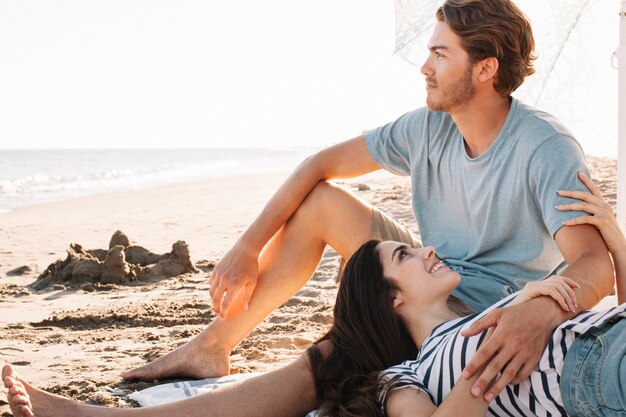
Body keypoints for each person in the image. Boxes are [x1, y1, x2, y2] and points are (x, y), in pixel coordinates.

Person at [116, 0, 614, 407]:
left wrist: (544, 309)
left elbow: (594, 263)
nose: (425, 67)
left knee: (341, 353)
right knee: (319, 204)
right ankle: (214, 345)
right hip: (432, 267)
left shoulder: (544, 146)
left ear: (485, 68)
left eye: (441, 54)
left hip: (477, 308)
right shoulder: (428, 127)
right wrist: (248, 247)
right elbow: (318, 165)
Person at [3, 172, 624, 417]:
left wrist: (612, 238)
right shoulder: (403, 379)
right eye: (407, 253)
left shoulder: (488, 309)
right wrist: (492, 354)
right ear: (391, 301)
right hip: (600, 376)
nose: (430, 248)